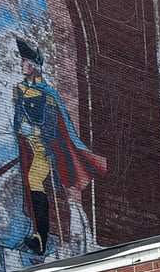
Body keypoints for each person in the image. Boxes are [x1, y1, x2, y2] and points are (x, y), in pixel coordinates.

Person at [13, 38, 107, 255]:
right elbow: (17, 119)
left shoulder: (47, 94)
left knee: (34, 179)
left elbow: (51, 126)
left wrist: (33, 131)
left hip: (43, 150)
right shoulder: (19, 90)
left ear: (32, 66)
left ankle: (40, 237)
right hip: (25, 146)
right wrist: (20, 128)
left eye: (24, 61)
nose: (21, 64)